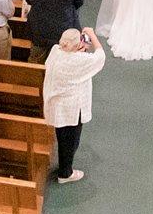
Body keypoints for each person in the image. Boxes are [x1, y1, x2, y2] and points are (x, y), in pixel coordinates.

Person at [43, 27, 106, 184]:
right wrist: (91, 35)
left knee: (62, 136)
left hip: (58, 105)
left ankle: (64, 167)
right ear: (76, 46)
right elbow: (100, 56)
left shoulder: (55, 51)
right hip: (71, 107)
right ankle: (65, 173)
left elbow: (76, 52)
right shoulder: (78, 61)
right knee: (71, 140)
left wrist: (81, 45)